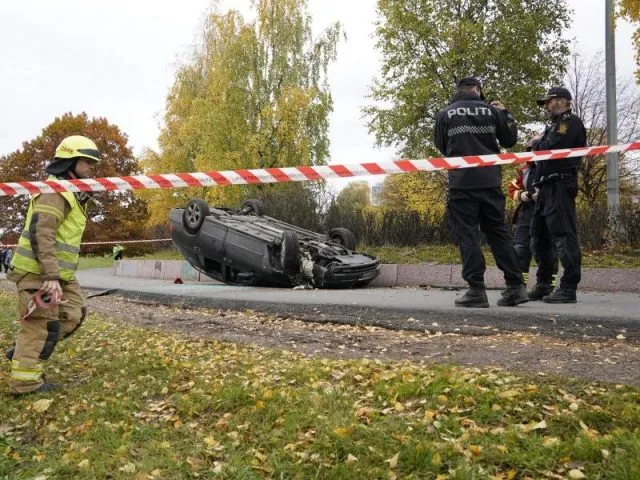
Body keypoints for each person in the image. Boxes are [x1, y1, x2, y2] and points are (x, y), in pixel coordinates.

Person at [6, 135, 101, 395]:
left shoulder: (70, 193)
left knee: (73, 314)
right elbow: (42, 233)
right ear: (70, 161)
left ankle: (24, 350)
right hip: (38, 273)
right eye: (87, 161)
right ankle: (25, 384)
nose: (91, 167)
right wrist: (49, 275)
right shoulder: (55, 192)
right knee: (40, 325)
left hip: (59, 275)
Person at [434, 77, 528, 308]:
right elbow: (510, 140)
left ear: (459, 90)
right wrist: (505, 114)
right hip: (490, 181)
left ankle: (476, 290)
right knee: (498, 234)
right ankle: (516, 286)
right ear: (477, 90)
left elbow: (442, 146)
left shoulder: (445, 114)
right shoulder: (492, 111)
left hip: (462, 183)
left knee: (467, 235)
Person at [527, 87, 586, 303]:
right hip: (545, 187)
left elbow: (550, 147)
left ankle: (568, 288)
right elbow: (538, 153)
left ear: (562, 101)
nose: (546, 106)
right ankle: (544, 284)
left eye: (548, 102)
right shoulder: (552, 125)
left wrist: (536, 143)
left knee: (563, 236)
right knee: (539, 237)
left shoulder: (569, 122)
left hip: (560, 184)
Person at [507, 162, 558, 288]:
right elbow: (512, 188)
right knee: (520, 249)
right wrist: (522, 194)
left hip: (549, 211)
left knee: (548, 251)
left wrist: (545, 195)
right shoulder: (525, 169)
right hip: (527, 212)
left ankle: (547, 285)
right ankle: (519, 285)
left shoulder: (556, 166)